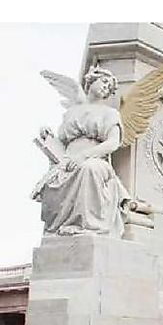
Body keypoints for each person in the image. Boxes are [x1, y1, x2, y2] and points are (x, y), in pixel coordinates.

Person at [35, 66, 130, 237]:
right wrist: (49, 137)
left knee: (89, 170)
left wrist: (83, 156)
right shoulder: (72, 112)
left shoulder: (110, 113)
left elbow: (113, 143)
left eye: (109, 87)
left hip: (95, 159)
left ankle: (88, 225)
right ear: (91, 80)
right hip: (67, 161)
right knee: (51, 184)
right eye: (104, 82)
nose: (105, 87)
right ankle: (60, 226)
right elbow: (63, 142)